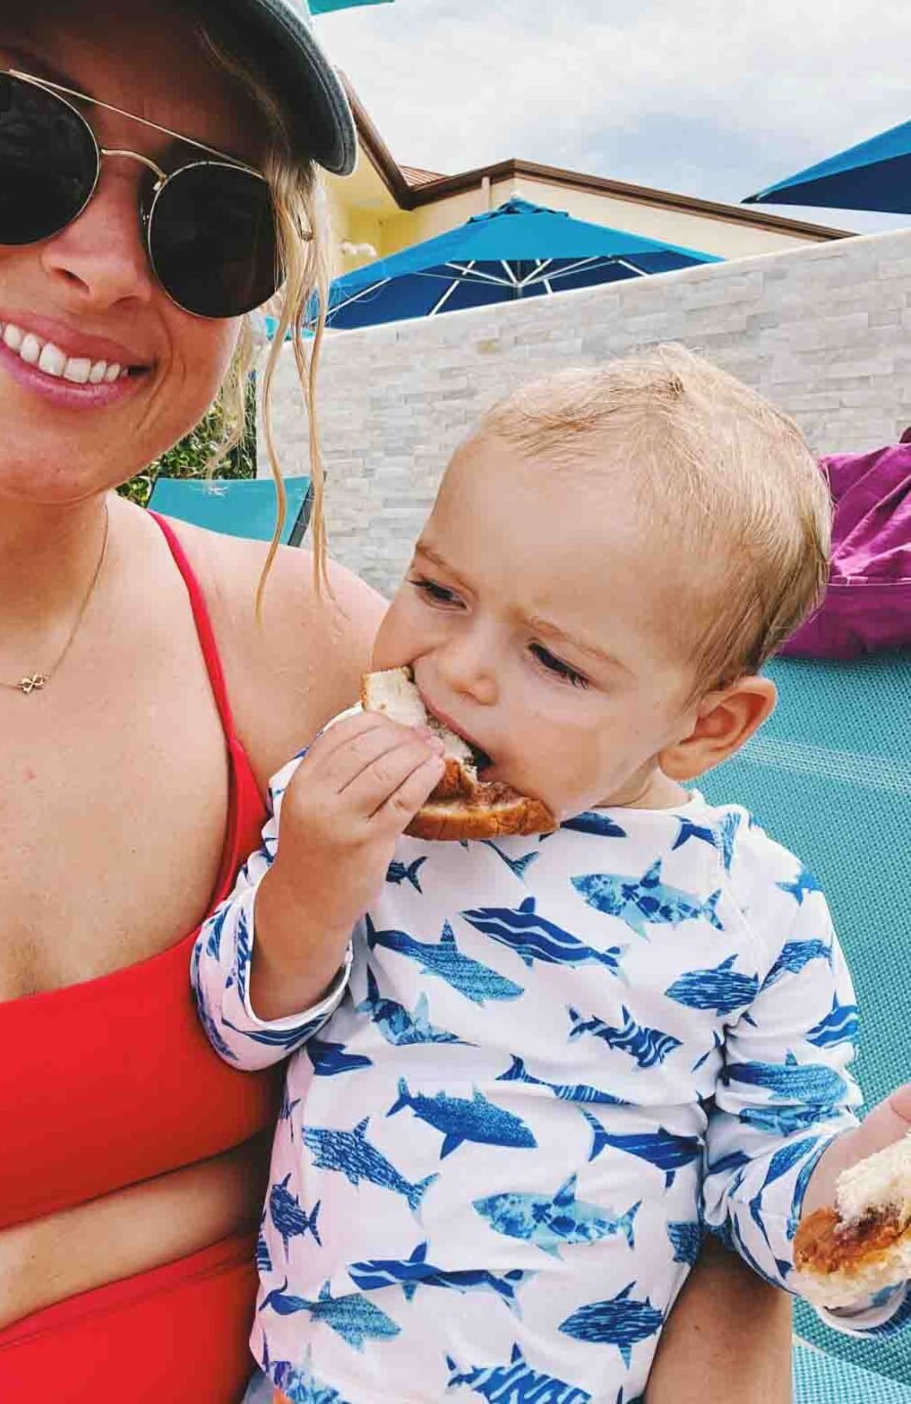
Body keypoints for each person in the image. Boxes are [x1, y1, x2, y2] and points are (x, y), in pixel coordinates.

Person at [0, 0, 794, 1396]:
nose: (104, 263)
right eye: (14, 138)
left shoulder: (338, 660)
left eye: (208, 215)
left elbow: (678, 1065)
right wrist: (169, 1212)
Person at [197, 347, 911, 1404]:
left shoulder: (758, 911)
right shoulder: (352, 806)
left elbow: (766, 1209)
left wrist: (870, 1182)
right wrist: (309, 874)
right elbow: (236, 1021)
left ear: (705, 726)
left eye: (556, 660)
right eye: (438, 589)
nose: (460, 665)